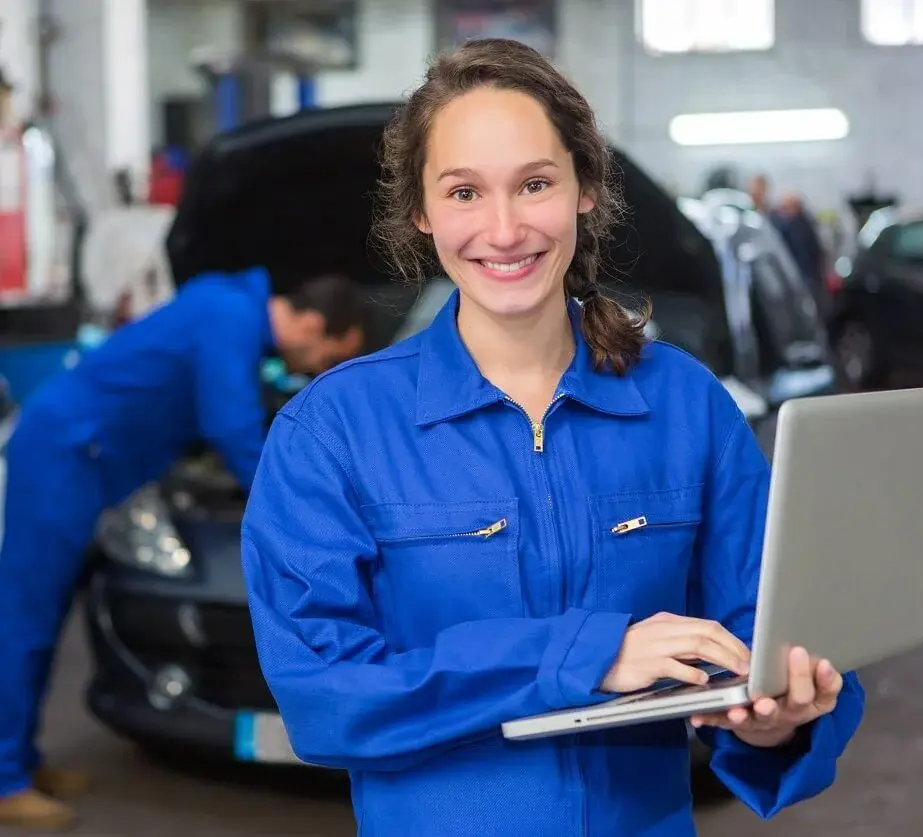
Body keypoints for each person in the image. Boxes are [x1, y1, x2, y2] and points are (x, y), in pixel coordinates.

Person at [241, 38, 866, 837]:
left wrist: (780, 716)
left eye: (534, 183)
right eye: (464, 192)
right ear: (420, 213)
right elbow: (323, 695)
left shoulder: (684, 404)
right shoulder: (333, 430)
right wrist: (588, 653)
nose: (503, 230)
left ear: (584, 191)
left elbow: (764, 631)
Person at [0, 267, 366, 830]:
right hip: (64, 457)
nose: (318, 371)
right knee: (27, 618)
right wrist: (295, 508)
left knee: (43, 617)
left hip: (90, 462)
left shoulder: (229, 308)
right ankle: (5, 780)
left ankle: (22, 760)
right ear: (312, 325)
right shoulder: (230, 318)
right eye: (327, 358)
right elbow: (233, 426)